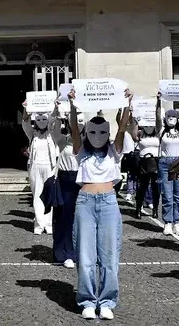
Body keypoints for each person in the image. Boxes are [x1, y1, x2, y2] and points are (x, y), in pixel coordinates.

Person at [69, 88, 131, 321]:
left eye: (101, 131)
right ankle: (86, 299)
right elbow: (74, 128)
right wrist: (74, 105)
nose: (97, 135)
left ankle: (106, 301)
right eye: (92, 131)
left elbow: (123, 127)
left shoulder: (114, 151)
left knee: (109, 255)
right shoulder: (81, 151)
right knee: (85, 255)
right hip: (85, 202)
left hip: (108, 203)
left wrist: (126, 102)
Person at [51, 105, 82, 268]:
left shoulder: (89, 140)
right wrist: (56, 113)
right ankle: (64, 253)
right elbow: (54, 129)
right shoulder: (63, 140)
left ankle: (79, 251)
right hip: (66, 179)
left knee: (81, 218)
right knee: (64, 217)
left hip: (82, 180)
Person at [22, 102, 59, 235]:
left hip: (49, 166)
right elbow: (25, 121)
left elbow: (56, 119)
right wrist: (26, 108)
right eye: (39, 120)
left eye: (44, 119)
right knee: (37, 195)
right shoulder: (32, 134)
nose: (42, 122)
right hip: (35, 166)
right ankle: (39, 224)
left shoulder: (52, 133)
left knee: (49, 195)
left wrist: (55, 107)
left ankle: (48, 224)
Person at [158, 96, 179, 236]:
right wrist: (158, 102)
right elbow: (158, 117)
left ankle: (178, 222)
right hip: (165, 163)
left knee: (178, 195)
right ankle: (168, 222)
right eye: (168, 116)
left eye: (173, 116)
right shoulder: (161, 131)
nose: (171, 119)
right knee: (167, 194)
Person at [133, 114, 161, 219]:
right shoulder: (141, 134)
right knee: (142, 187)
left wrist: (158, 103)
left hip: (155, 161)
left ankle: (155, 209)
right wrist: (136, 121)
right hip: (144, 162)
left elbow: (158, 120)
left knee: (156, 188)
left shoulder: (158, 134)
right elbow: (134, 135)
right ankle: (138, 208)